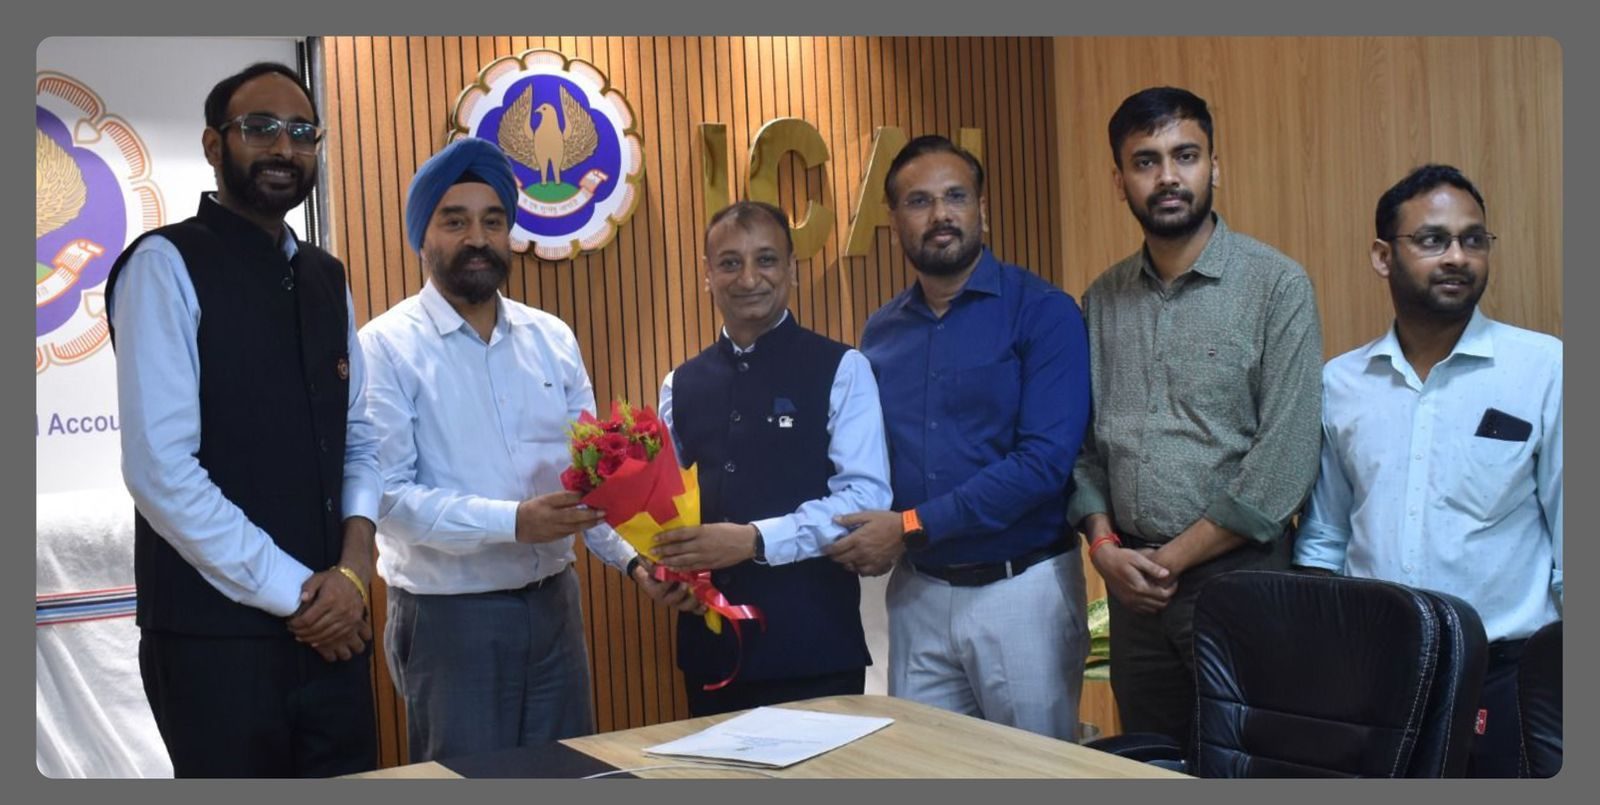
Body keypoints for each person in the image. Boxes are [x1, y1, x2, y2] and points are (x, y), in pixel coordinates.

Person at [358, 137, 698, 762]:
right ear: (422, 238)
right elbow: (388, 499)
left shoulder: (552, 338)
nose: (477, 239)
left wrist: (638, 562)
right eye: (454, 221)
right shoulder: (383, 347)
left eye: (493, 222)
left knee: (564, 776)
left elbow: (592, 485)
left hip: (554, 607)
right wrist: (514, 523)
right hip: (449, 619)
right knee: (468, 785)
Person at [106, 62, 379, 777]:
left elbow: (360, 437)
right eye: (260, 128)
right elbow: (160, 470)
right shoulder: (164, 265)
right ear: (212, 143)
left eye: (302, 132)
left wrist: (354, 570)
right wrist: (302, 596)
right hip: (217, 645)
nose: (284, 148)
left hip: (338, 626)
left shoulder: (327, 276)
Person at [1067, 86, 1323, 751]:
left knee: (1252, 762)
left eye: (1185, 155)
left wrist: (1168, 561)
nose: (1168, 176)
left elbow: (1286, 459)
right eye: (1145, 161)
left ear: (1215, 166)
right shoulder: (1101, 299)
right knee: (1149, 761)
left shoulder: (1277, 286)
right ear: (1120, 181)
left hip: (1241, 581)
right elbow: (1083, 448)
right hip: (1133, 591)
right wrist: (1105, 548)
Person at [1294, 164, 1562, 777]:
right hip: (1372, 672)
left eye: (1473, 239)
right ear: (1383, 256)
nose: (1458, 257)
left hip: (1503, 677)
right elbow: (1326, 535)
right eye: (1433, 240)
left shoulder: (1545, 370)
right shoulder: (1342, 383)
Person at [828, 135, 1092, 741]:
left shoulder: (1043, 312)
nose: (940, 215)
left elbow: (1043, 464)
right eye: (919, 201)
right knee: (927, 768)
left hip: (1022, 590)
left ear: (982, 210)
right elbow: (867, 459)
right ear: (894, 220)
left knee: (1036, 774)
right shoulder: (880, 334)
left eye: (956, 197)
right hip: (918, 593)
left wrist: (909, 525)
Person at [650, 201, 893, 715]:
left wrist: (755, 540)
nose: (748, 278)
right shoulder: (680, 384)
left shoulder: (842, 368)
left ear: (791, 269)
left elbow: (865, 499)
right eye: (730, 263)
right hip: (711, 651)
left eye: (766, 260)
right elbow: (663, 505)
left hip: (814, 646)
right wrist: (663, 569)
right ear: (707, 274)